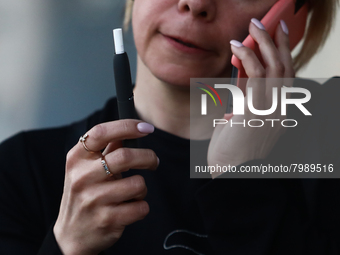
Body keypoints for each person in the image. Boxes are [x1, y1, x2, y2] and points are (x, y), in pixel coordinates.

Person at [0, 0, 339, 254]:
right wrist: (65, 246)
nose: (195, 4)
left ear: (291, 17)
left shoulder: (329, 147)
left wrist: (241, 182)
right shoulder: (20, 168)